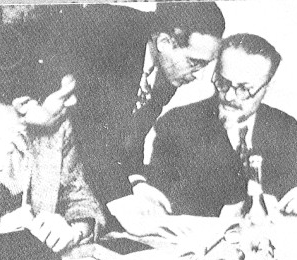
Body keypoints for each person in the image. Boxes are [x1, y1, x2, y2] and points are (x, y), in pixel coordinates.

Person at [48, 3, 226, 235]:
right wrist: (124, 204)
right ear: (164, 42)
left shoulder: (167, 66)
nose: (199, 76)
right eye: (194, 63)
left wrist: (137, 182)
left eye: (206, 65)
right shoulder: (113, 39)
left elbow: (130, 133)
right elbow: (95, 134)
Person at [0, 22, 104, 252]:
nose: (73, 102)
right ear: (24, 105)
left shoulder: (58, 127)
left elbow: (81, 200)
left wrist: (74, 230)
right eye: (65, 96)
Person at [149, 33, 297, 217]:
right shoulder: (178, 124)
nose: (229, 96)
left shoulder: (283, 126)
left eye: (244, 89)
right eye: (223, 82)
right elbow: (162, 202)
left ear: (267, 86)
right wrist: (228, 211)